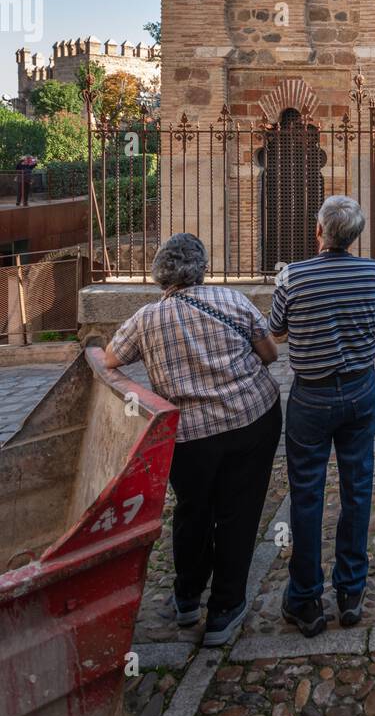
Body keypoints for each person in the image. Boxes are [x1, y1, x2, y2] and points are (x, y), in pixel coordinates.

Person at [104, 232, 281, 647]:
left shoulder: (146, 320)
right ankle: (224, 611)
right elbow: (270, 353)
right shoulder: (231, 301)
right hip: (250, 420)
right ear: (200, 267)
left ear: (159, 275)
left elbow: (111, 359)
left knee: (192, 510)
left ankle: (186, 598)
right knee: (238, 511)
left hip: (189, 437)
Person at [269, 195, 375, 639]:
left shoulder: (293, 276)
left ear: (319, 231)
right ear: (353, 235)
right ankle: (351, 591)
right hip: (360, 391)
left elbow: (276, 330)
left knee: (307, 495)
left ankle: (306, 599)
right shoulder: (372, 271)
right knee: (357, 488)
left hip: (312, 399)